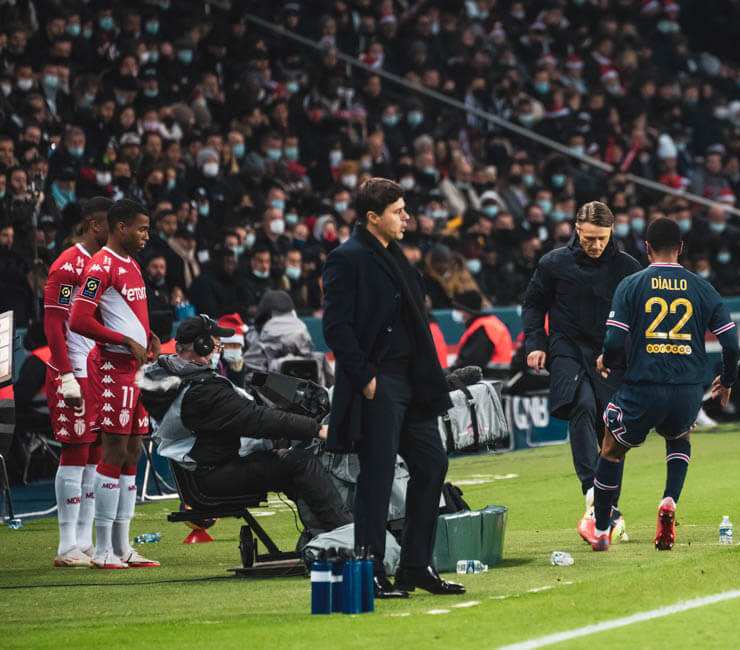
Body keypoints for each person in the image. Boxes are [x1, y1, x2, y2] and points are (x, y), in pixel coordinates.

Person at [322, 178, 461, 599]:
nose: (407, 217)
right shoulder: (346, 258)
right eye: (398, 211)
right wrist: (365, 377)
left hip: (412, 382)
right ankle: (370, 569)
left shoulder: (398, 256)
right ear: (372, 217)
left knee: (432, 464)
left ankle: (416, 565)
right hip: (379, 382)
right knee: (378, 477)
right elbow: (336, 326)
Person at [589, 217, 739, 551]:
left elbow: (614, 340)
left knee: (611, 448)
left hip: (643, 386)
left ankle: (600, 531)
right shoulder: (701, 287)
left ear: (646, 248)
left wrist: (607, 360)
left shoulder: (631, 284)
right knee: (680, 436)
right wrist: (727, 380)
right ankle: (669, 500)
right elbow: (731, 343)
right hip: (687, 390)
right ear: (681, 248)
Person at [140, 316, 350, 534]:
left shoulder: (171, 377)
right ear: (203, 345)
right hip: (213, 476)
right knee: (301, 462)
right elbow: (255, 419)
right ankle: (346, 534)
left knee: (289, 463)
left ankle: (320, 535)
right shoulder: (202, 390)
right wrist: (316, 429)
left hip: (203, 468)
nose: (219, 347)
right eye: (215, 342)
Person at [521, 200, 641, 543]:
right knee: (582, 404)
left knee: (611, 428)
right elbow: (533, 304)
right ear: (576, 230)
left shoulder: (628, 267)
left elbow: (640, 316)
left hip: (611, 354)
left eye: (602, 238)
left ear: (612, 232)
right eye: (589, 238)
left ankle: (606, 511)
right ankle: (592, 490)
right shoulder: (553, 263)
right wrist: (535, 344)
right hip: (567, 349)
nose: (596, 245)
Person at [69, 199, 161, 569]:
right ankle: (102, 548)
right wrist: (124, 341)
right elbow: (78, 320)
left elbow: (127, 313)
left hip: (136, 369)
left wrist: (148, 336)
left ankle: (122, 546)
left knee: (133, 452)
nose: (146, 236)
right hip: (112, 368)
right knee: (113, 452)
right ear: (120, 226)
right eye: (141, 228)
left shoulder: (132, 264)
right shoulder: (100, 266)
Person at [43, 197, 109, 566]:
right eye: (113, 224)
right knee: (76, 451)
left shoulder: (108, 264)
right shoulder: (67, 265)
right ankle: (66, 545)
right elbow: (54, 324)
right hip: (72, 372)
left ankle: (84, 541)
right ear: (94, 225)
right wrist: (66, 375)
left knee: (95, 454)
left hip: (98, 371)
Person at [451, 291, 513, 373]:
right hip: (495, 375)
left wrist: (452, 372)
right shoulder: (486, 324)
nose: (455, 312)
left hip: (490, 376)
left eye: (458, 309)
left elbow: (472, 362)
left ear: (467, 311)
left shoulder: (483, 329)